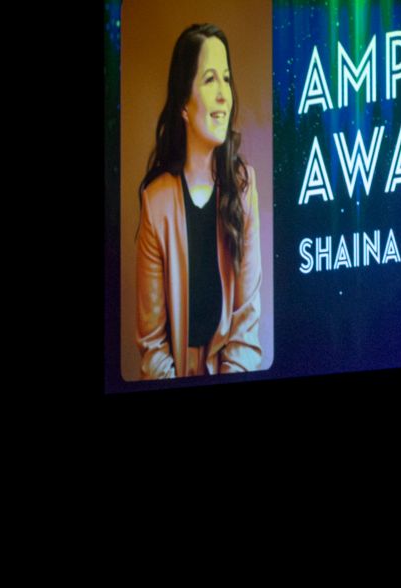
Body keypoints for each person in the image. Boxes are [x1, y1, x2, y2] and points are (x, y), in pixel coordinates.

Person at [136, 24, 261, 378]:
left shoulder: (244, 187)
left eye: (226, 78)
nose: (224, 94)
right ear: (183, 106)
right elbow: (152, 345)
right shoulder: (155, 202)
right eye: (209, 79)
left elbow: (246, 327)